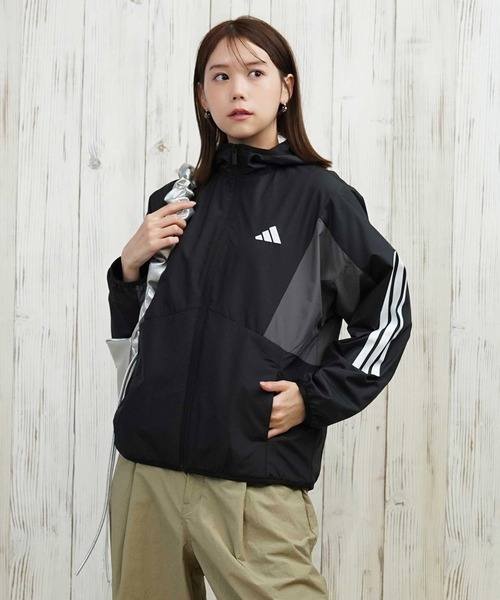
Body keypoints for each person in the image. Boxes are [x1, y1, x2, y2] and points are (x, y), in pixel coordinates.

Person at [107, 16, 411, 600]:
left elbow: (389, 310)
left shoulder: (321, 199)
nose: (237, 90)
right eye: (220, 77)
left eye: (254, 73)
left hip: (254, 484)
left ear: (285, 88)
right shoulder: (174, 201)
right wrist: (127, 268)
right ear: (202, 96)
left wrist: (316, 397)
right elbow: (136, 337)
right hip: (147, 477)